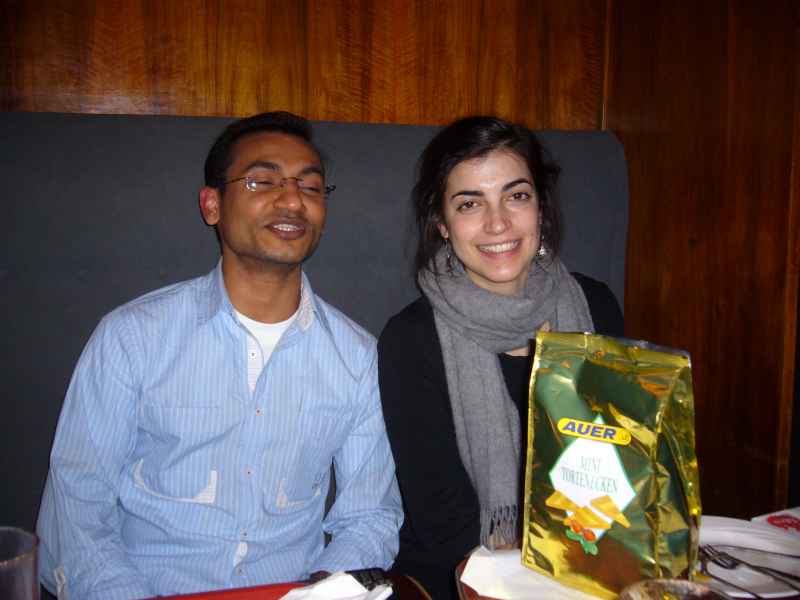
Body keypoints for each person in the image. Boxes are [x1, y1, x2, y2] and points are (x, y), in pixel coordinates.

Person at [36, 111, 403, 600]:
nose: (292, 200)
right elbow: (75, 513)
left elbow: (370, 516)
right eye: (262, 181)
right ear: (212, 205)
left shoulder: (357, 358)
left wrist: (317, 594)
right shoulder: (132, 338)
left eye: (310, 187)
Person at [378, 116, 624, 600]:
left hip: (593, 561)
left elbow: (622, 458)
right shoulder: (410, 340)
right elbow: (443, 520)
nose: (498, 224)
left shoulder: (595, 307)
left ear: (540, 208)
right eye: (470, 204)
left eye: (517, 196)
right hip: (460, 578)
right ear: (442, 224)